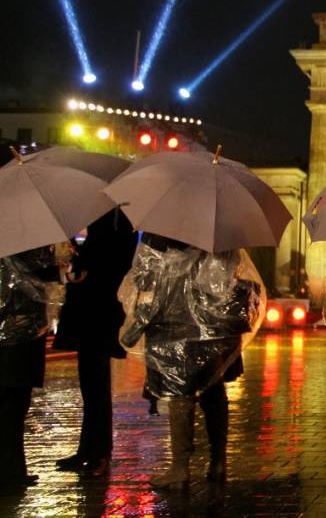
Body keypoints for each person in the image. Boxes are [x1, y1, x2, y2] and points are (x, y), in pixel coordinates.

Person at [118, 233, 261, 489]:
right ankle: (218, 461)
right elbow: (227, 278)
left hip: (174, 326)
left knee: (180, 396)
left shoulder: (160, 233)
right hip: (215, 329)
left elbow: (142, 278)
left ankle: (180, 468)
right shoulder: (222, 234)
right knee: (214, 391)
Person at [53, 210, 137, 477]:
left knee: (96, 384)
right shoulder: (109, 221)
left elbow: (109, 264)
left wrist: (82, 259)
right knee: (90, 383)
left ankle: (99, 452)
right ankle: (89, 449)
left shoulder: (118, 222)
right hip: (92, 310)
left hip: (99, 311)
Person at [0, 245, 60, 492]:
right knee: (12, 406)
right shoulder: (29, 245)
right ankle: (9, 472)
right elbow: (45, 278)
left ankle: (14, 469)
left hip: (18, 337)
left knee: (12, 406)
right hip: (20, 336)